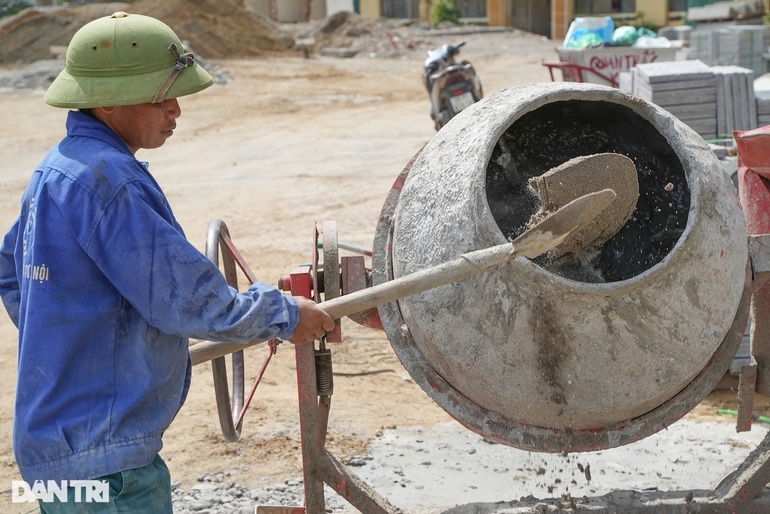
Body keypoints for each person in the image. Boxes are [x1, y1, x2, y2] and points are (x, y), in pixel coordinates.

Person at [0, 11, 334, 513]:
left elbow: (11, 271)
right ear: (107, 100)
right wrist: (285, 315)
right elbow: (183, 299)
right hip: (108, 466)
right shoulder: (111, 182)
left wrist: (70, 341)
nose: (175, 109)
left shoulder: (56, 170)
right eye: (160, 97)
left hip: (60, 451)